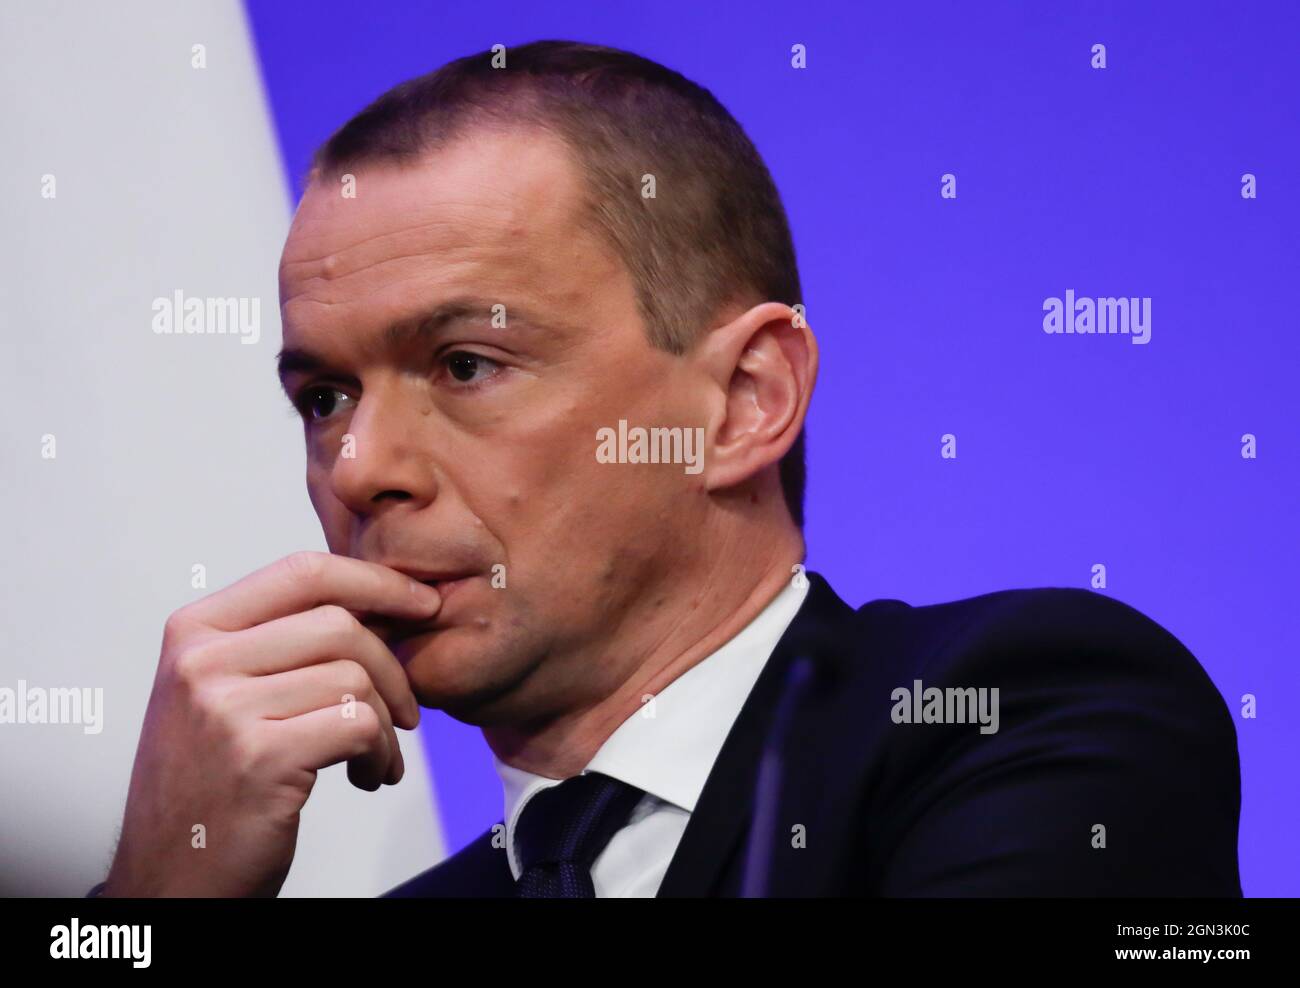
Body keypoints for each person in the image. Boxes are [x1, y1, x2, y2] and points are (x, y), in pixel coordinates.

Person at [95, 41, 1241, 898]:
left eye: (464, 363)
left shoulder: (1018, 719)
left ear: (745, 402)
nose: (359, 466)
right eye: (324, 397)